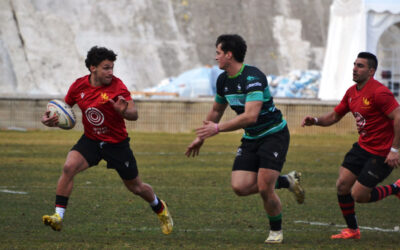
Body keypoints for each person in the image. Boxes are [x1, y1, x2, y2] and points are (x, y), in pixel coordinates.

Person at [185, 34, 305, 244]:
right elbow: (216, 110)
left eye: (218, 53)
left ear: (229, 55)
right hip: (251, 138)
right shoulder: (223, 80)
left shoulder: (253, 77)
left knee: (264, 188)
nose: (216, 57)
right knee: (240, 187)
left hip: (273, 135)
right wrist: (201, 136)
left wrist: (218, 129)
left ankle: (276, 231)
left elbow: (251, 116)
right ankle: (287, 181)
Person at [41, 46, 173, 234]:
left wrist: (124, 111)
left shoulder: (117, 87)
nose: (110, 72)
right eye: (106, 68)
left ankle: (160, 208)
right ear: (93, 68)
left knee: (136, 187)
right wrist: (50, 120)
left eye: (112, 68)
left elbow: (134, 114)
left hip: (116, 143)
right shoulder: (79, 86)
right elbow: (63, 111)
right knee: (69, 167)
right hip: (91, 140)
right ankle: (58, 216)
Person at [302, 52, 400, 239]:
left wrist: (394, 150)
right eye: (355, 64)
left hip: (381, 153)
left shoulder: (379, 92)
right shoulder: (351, 92)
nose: (355, 68)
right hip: (362, 148)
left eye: (360, 66)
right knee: (342, 186)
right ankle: (353, 231)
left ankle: (396, 188)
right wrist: (314, 120)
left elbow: (398, 117)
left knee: (359, 195)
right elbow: (333, 116)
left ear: (371, 71)